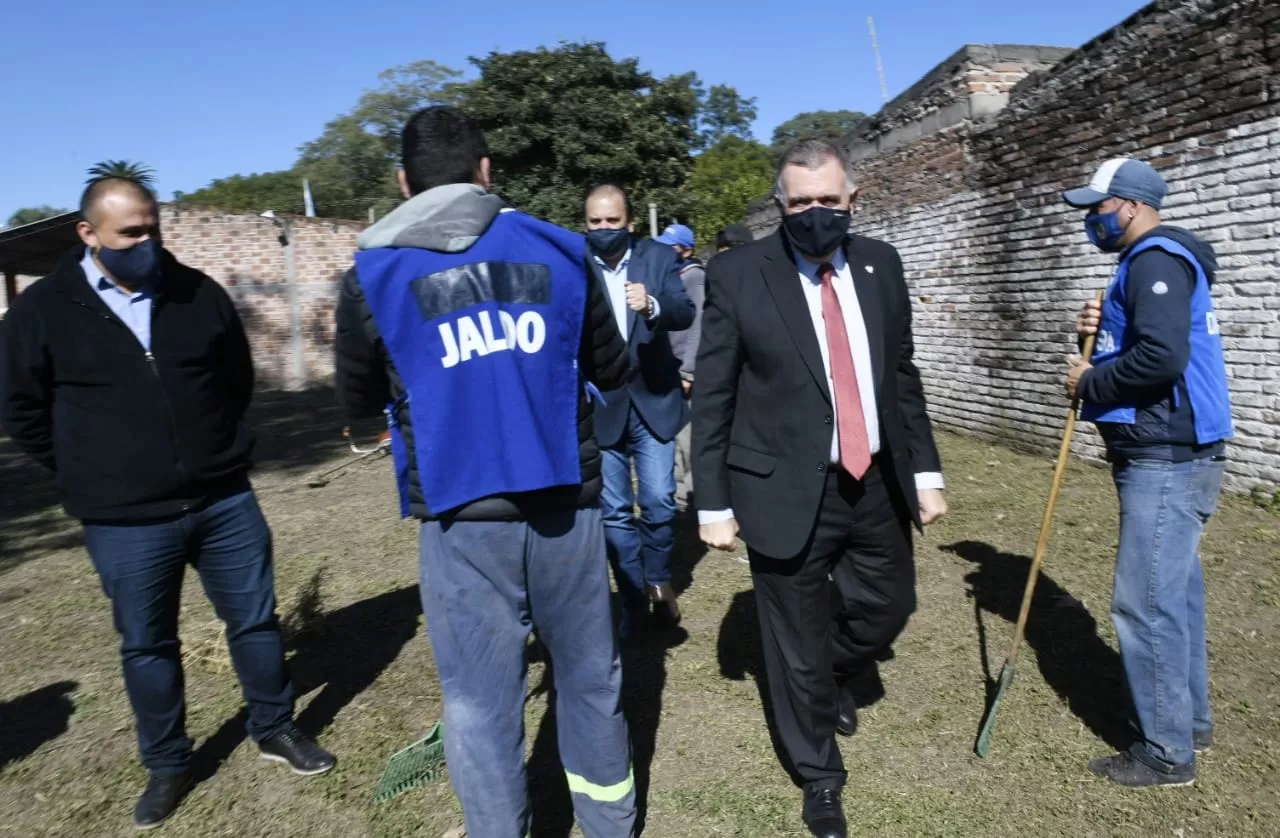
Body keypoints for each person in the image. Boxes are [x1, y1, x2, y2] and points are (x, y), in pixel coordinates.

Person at [334, 106, 636, 838]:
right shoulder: (565, 251)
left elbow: (358, 401)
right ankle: (610, 826)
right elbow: (612, 367)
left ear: (404, 181)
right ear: (486, 171)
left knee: (478, 701)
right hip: (568, 506)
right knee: (592, 682)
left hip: (461, 521)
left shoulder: (372, 273)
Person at [0, 177, 334, 830]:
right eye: (130, 233)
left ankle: (275, 728)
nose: (146, 242)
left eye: (153, 228)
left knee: (257, 624)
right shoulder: (43, 310)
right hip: (125, 520)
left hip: (223, 502)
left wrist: (225, 448)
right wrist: (86, 472)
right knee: (148, 644)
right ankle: (168, 763)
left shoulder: (196, 292)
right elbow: (20, 406)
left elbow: (235, 378)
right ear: (88, 234)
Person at [692, 140, 948, 838]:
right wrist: (711, 502)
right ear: (781, 205)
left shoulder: (880, 265)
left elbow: (901, 376)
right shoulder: (741, 274)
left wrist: (925, 472)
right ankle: (820, 776)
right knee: (793, 640)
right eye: (800, 203)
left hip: (874, 481)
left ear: (852, 202)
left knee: (889, 607)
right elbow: (712, 394)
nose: (814, 214)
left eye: (827, 202)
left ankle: (826, 674)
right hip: (778, 484)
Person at [1064, 157, 1233, 788]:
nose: (1091, 220)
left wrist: (1089, 379)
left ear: (1130, 205)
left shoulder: (1156, 260)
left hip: (1166, 454)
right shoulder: (1146, 264)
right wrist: (1102, 329)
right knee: (1176, 596)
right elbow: (1146, 341)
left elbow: (1162, 357)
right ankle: (1188, 725)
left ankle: (1165, 752)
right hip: (1172, 450)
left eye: (1097, 208)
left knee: (1145, 604)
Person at [584, 187, 695, 639]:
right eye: (596, 222)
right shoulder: (574, 261)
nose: (605, 230)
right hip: (602, 404)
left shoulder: (657, 257)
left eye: (613, 222)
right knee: (613, 512)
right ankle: (630, 596)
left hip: (653, 397)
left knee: (658, 502)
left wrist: (651, 305)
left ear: (629, 223)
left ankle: (658, 581)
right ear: (586, 223)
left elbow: (684, 311)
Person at [656, 223, 705, 508]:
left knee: (689, 436)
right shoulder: (673, 276)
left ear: (687, 250)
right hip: (670, 367)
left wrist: (689, 370)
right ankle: (679, 494)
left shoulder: (694, 277)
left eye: (670, 247)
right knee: (675, 433)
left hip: (685, 370)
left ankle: (694, 496)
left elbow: (699, 325)